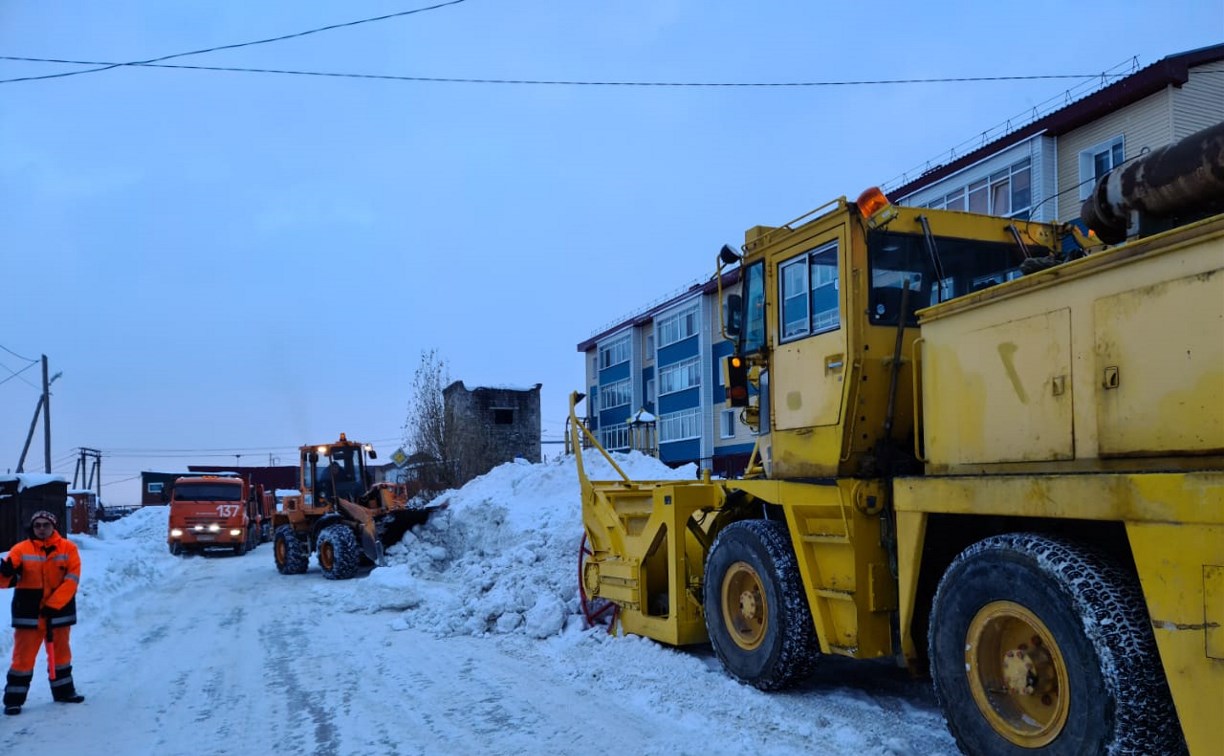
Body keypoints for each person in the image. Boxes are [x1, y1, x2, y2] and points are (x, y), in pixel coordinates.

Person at [0, 510, 85, 715]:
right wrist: (5, 573)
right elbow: (6, 581)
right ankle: (13, 700)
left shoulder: (68, 548)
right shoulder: (20, 549)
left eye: (45, 525)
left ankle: (64, 692)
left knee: (61, 655)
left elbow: (72, 580)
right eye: (37, 525)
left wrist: (54, 604)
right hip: (28, 613)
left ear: (53, 527)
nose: (41, 529)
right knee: (22, 658)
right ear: (32, 527)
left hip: (59, 612)